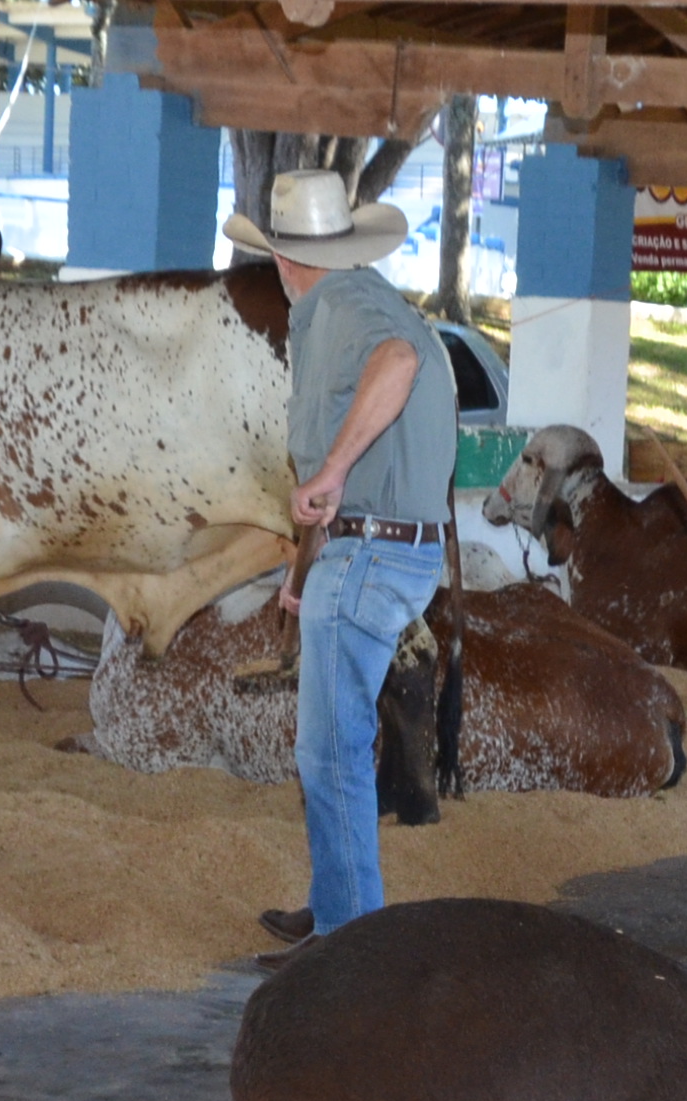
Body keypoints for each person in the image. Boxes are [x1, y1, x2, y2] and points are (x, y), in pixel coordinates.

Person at [220, 167, 461, 968]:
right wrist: (300, 578)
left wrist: (329, 470)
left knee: (330, 751)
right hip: (386, 551)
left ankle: (347, 946)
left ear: (284, 259)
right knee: (332, 746)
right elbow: (334, 497)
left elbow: (398, 364)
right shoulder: (370, 298)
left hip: (369, 555)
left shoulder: (340, 307)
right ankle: (337, 905)